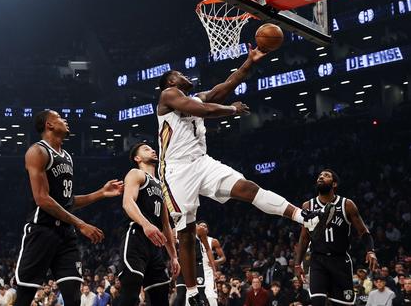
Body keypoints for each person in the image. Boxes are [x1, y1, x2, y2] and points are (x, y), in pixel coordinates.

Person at [156, 53, 324, 306]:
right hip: (176, 171)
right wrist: (232, 109)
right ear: (171, 82)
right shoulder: (168, 95)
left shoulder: (194, 96)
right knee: (187, 233)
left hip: (202, 162)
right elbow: (202, 110)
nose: (183, 75)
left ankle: (303, 217)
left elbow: (224, 86)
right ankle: (192, 293)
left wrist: (250, 61)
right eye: (178, 74)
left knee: (248, 188)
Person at [14, 110, 123, 306]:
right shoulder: (37, 152)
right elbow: (42, 199)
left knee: (73, 297)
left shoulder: (67, 157)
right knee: (24, 297)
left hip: (65, 235)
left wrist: (100, 193)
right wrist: (80, 223)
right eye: (60, 118)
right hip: (42, 231)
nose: (65, 121)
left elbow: (67, 202)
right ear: (49, 124)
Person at [295, 169, 378, 306]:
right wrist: (298, 263)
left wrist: (370, 251)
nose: (321, 177)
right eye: (319, 176)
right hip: (318, 260)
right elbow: (304, 238)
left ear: (334, 184)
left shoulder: (347, 205)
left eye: (326, 176)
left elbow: (363, 232)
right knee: (317, 302)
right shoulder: (308, 206)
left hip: (340, 261)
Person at [118, 143, 179, 306]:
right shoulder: (136, 174)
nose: (152, 150)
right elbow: (127, 202)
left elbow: (165, 224)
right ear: (137, 158)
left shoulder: (161, 185)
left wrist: (173, 256)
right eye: (146, 149)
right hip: (136, 237)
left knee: (161, 297)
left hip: (156, 246)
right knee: (130, 294)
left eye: (152, 148)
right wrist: (146, 224)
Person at [198, 221, 226, 306]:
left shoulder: (213, 241)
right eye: (201, 226)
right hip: (196, 270)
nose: (203, 228)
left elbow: (223, 258)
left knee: (211, 296)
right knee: (195, 296)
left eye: (205, 226)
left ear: (208, 230)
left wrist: (215, 262)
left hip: (208, 271)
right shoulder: (193, 241)